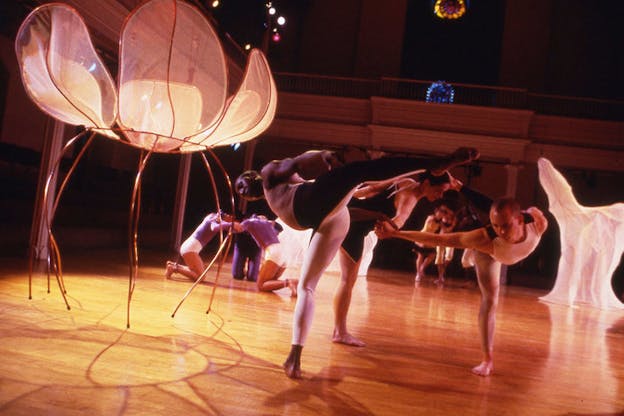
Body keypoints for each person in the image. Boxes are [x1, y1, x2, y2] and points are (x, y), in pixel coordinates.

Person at [235, 147, 479, 378]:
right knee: (358, 173)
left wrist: (328, 160)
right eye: (243, 190)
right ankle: (433, 164)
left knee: (308, 286)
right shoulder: (271, 171)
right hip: (309, 208)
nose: (245, 189)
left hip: (329, 216)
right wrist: (324, 155)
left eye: (244, 187)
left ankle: (294, 356)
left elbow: (354, 186)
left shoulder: (286, 182)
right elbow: (299, 160)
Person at [375, 180, 548, 377]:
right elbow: (441, 239)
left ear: (519, 220)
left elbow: (514, 210)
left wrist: (463, 189)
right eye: (495, 225)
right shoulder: (485, 238)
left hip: (518, 235)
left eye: (505, 226)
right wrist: (396, 234)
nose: (500, 231)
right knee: (490, 300)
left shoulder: (538, 223)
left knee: (498, 209)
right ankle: (487, 359)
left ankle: (463, 189)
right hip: (491, 255)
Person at [334, 171, 456, 347]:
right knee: (347, 281)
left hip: (350, 220)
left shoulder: (405, 181)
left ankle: (339, 330)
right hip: (353, 228)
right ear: (427, 183)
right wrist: (390, 227)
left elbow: (371, 188)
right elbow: (400, 219)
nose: (440, 196)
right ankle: (340, 332)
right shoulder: (411, 197)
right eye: (439, 190)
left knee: (348, 281)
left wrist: (346, 197)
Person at [166, 211, 240, 280]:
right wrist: (231, 224)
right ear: (227, 215)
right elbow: (214, 227)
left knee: (198, 272)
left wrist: (234, 227)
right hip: (190, 249)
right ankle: (174, 268)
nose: (231, 220)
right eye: (231, 218)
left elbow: (225, 226)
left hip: (189, 247)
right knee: (201, 277)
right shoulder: (213, 219)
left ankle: (173, 265)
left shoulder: (214, 217)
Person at [239, 214, 298, 296]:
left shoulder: (254, 222)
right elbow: (279, 228)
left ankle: (290, 282)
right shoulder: (269, 228)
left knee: (261, 285)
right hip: (284, 253)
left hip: (275, 252)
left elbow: (238, 227)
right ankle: (291, 284)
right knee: (269, 283)